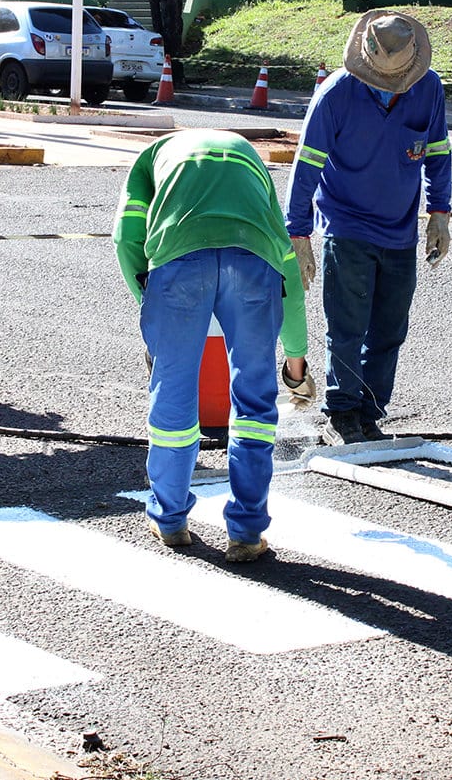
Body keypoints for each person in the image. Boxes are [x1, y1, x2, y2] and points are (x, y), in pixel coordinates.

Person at [116, 129, 311, 563]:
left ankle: (169, 520)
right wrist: (296, 361)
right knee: (255, 402)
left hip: (178, 263)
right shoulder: (250, 159)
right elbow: (289, 277)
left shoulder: (151, 159)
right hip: (253, 260)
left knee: (173, 393)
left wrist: (151, 309)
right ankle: (246, 531)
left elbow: (125, 238)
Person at [287, 10, 451, 445]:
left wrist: (440, 213)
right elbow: (305, 166)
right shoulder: (335, 94)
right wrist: (298, 234)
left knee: (390, 329)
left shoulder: (428, 88)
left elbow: (437, 153)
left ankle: (370, 411)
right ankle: (341, 413)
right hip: (347, 224)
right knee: (347, 325)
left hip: (400, 230)